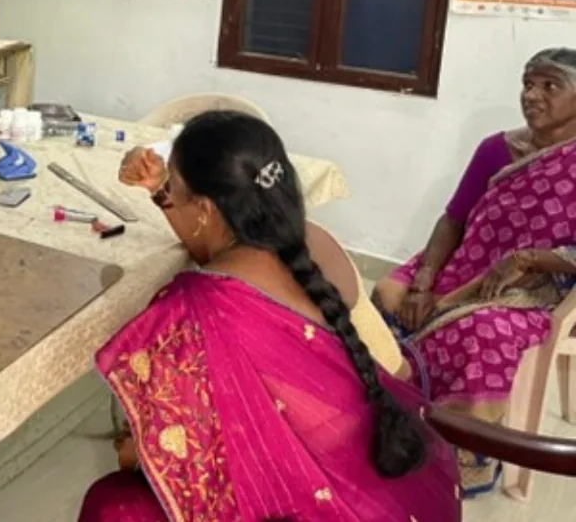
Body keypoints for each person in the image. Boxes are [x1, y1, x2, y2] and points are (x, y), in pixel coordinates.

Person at [80, 112, 460, 521]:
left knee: (114, 502)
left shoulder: (197, 309)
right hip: (393, 486)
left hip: (318, 502)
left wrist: (133, 448)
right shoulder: (314, 244)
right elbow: (217, 251)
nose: (168, 192)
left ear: (206, 209)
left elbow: (156, 455)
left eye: (174, 186)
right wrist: (161, 190)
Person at [374, 48, 576, 493]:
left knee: (481, 333)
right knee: (386, 293)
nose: (532, 96)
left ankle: (459, 454)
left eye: (550, 86)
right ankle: (390, 418)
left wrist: (528, 258)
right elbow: (453, 219)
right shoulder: (497, 148)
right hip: (468, 259)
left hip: (537, 288)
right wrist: (424, 282)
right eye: (528, 83)